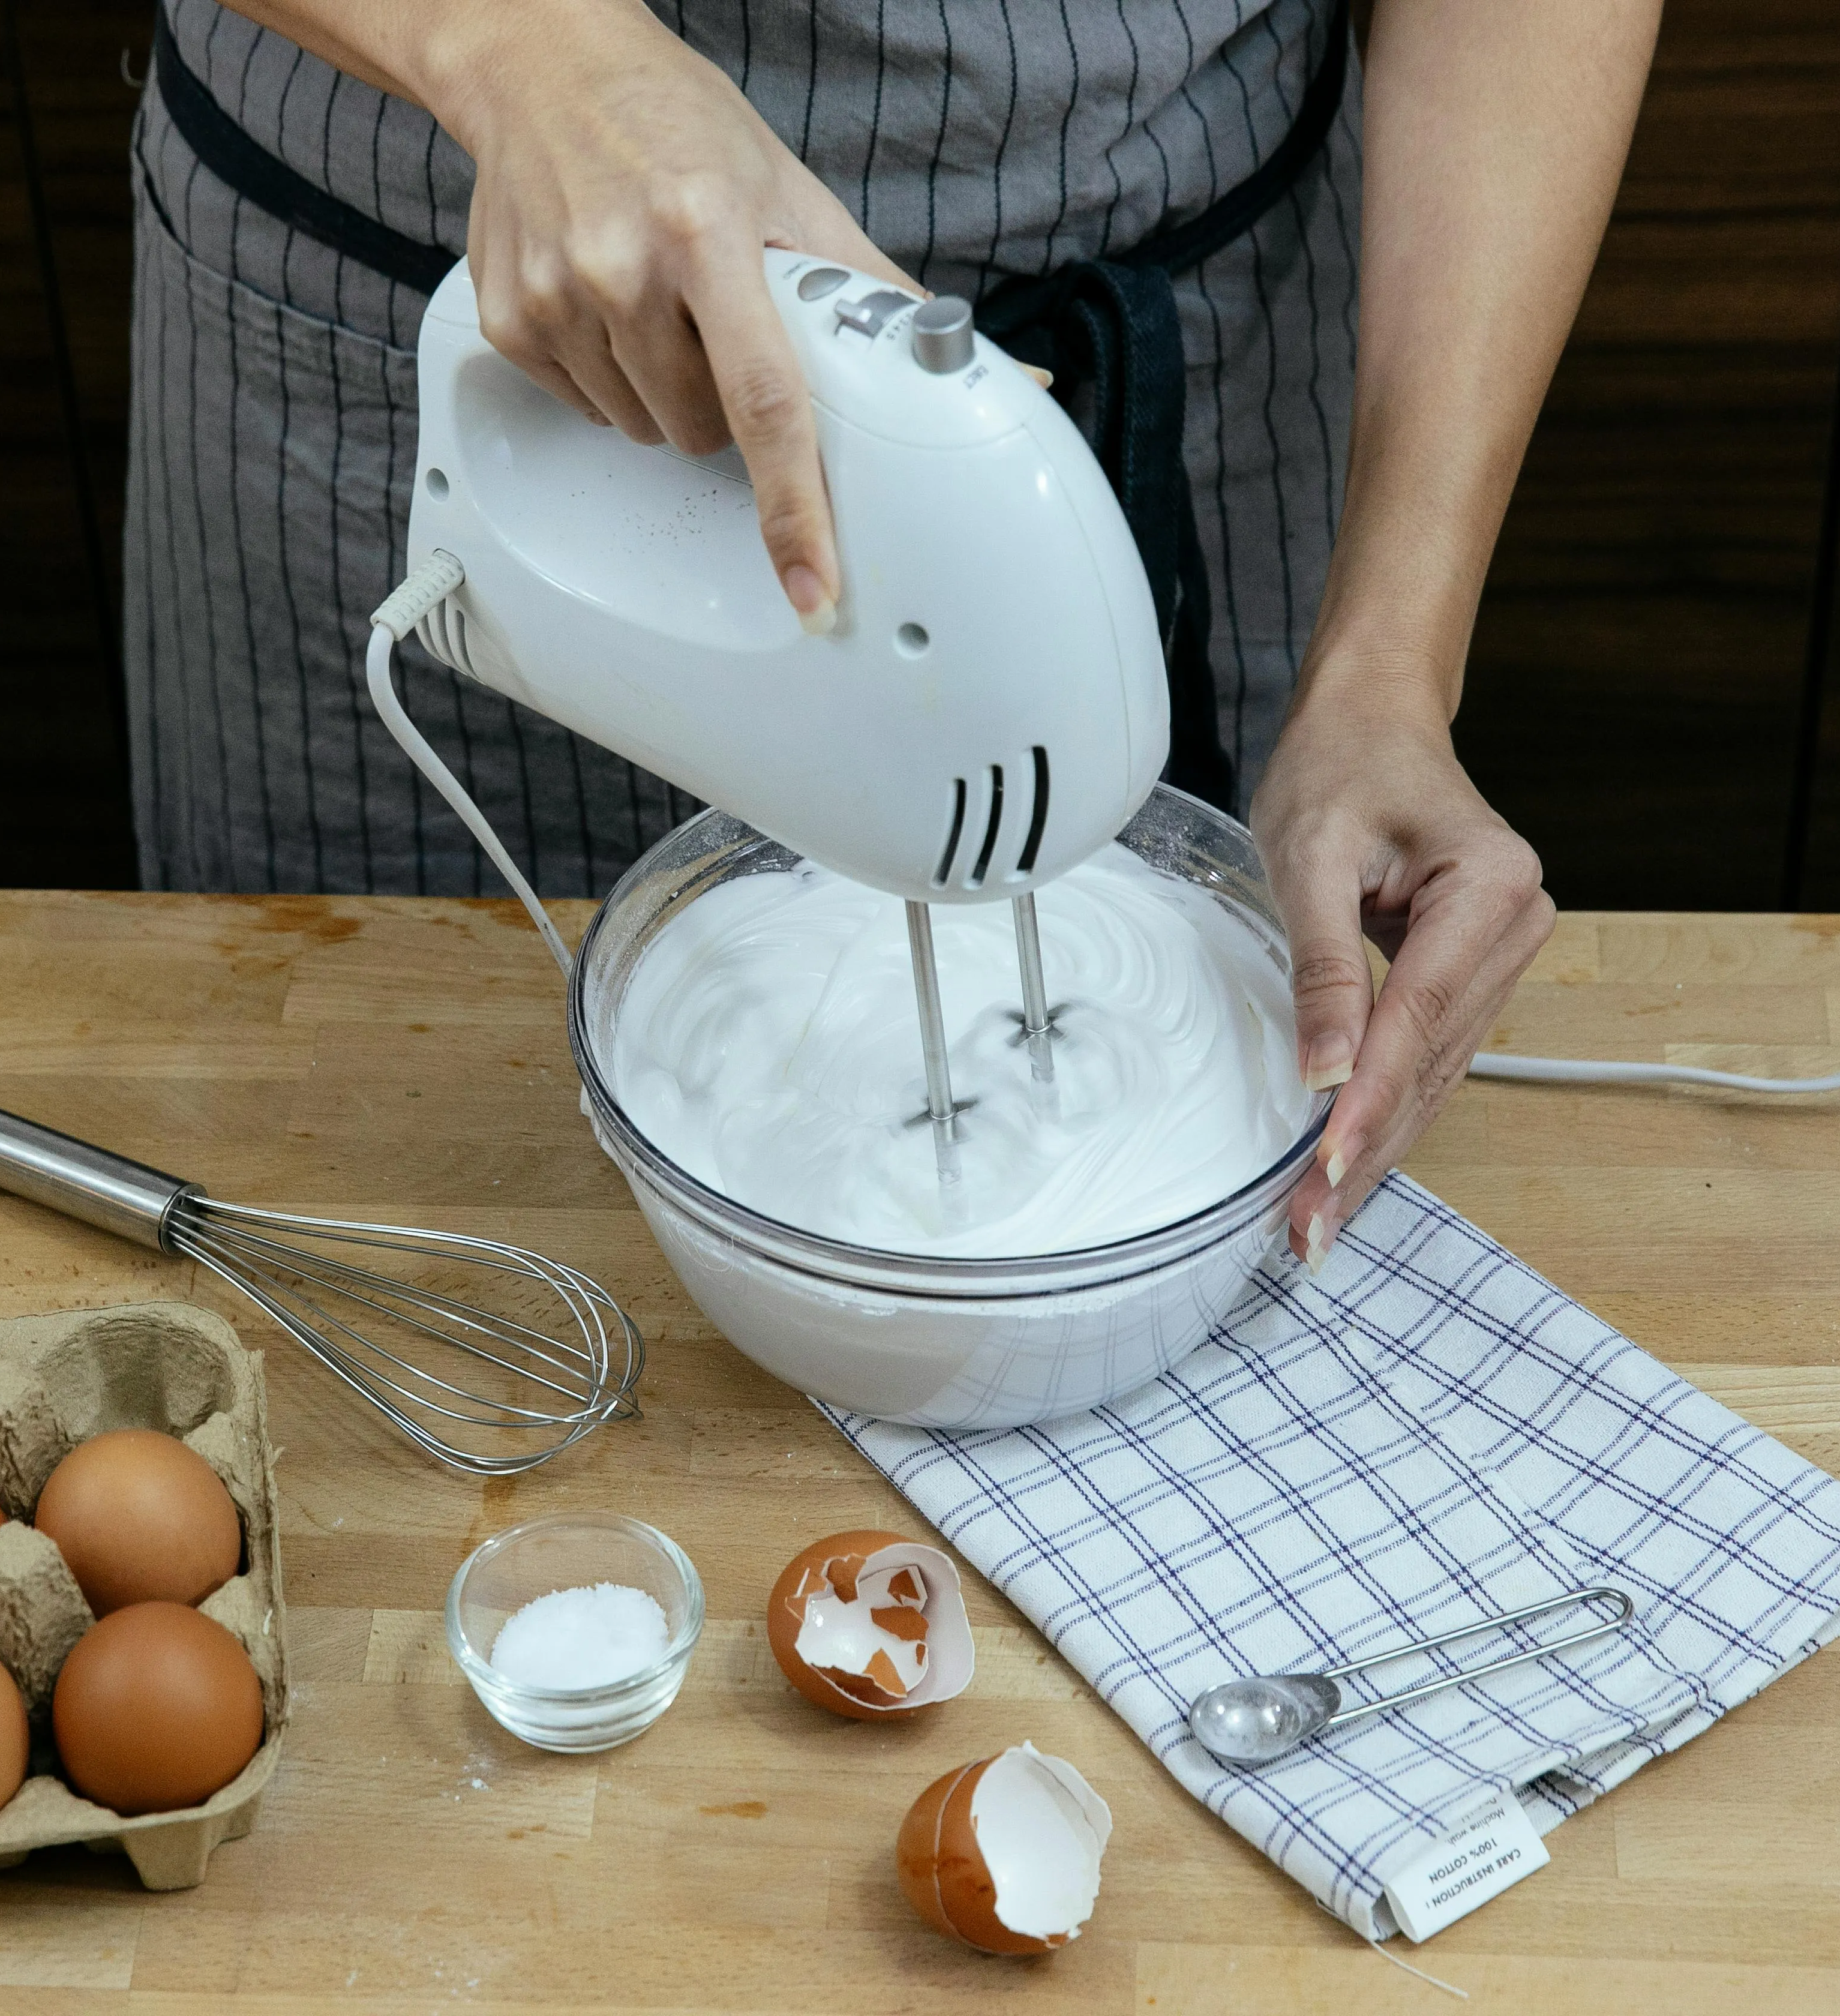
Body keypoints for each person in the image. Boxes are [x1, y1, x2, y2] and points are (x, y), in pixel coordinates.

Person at [122, 0, 1656, 1261]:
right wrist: (520, 46)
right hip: (460, 353)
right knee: (385, 1165)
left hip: (1194, 321)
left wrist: (1388, 654)